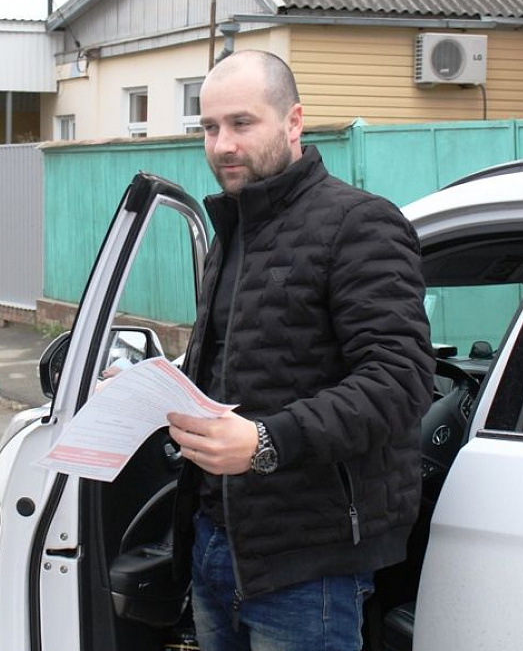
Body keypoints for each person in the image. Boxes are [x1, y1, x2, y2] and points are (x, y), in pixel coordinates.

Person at [165, 50, 434, 651]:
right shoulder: (233, 229)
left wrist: (264, 443)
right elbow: (238, 361)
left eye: (242, 123)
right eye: (209, 128)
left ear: (293, 122)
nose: (222, 145)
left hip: (308, 562)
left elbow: (400, 381)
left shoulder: (357, 223)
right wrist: (147, 390)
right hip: (216, 538)